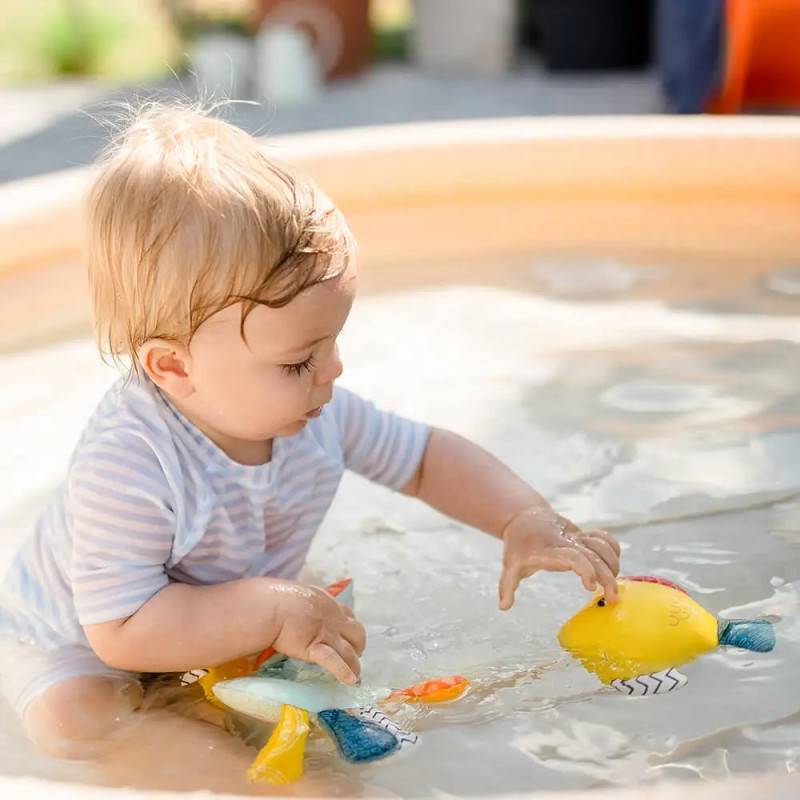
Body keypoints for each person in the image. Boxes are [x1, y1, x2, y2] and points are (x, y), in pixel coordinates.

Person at [0, 104, 620, 792]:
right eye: (299, 359)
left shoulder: (314, 411)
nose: (333, 372)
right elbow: (123, 627)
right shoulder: (129, 463)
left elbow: (426, 459)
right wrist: (268, 609)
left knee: (296, 662)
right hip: (81, 638)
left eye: (332, 343)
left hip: (216, 608)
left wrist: (522, 518)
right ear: (173, 368)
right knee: (80, 723)